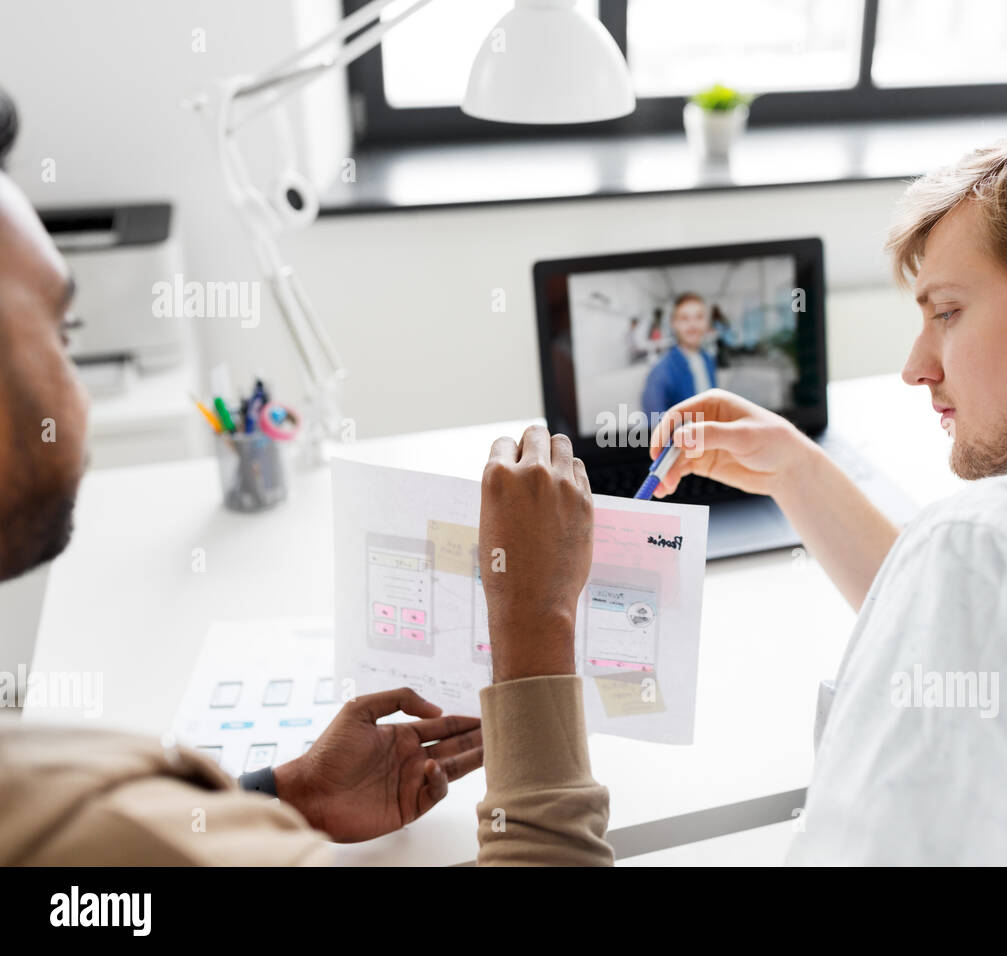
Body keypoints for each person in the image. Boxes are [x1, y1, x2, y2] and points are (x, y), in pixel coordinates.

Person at [457, 106, 1007, 865]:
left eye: (947, 311)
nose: (915, 367)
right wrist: (796, 468)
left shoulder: (987, 554)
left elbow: (998, 593)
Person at [0, 86, 612, 866]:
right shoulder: (84, 834)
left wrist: (282, 796)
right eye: (59, 333)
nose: (78, 387)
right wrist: (536, 626)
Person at [640, 292, 717, 417]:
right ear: (674, 323)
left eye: (699, 317)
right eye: (684, 318)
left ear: (707, 322)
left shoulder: (708, 360)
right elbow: (655, 429)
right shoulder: (660, 373)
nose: (693, 325)